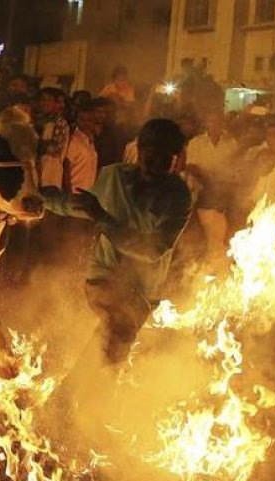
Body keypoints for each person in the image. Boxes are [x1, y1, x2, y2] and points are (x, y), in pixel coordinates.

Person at [43, 118, 193, 366]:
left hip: (144, 290)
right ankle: (67, 399)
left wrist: (102, 217)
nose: (155, 165)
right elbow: (81, 205)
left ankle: (92, 392)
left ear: (175, 159)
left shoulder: (178, 196)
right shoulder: (113, 176)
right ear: (140, 150)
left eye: (164, 159)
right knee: (118, 332)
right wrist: (36, 199)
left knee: (113, 349)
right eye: (150, 156)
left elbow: (153, 250)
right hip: (105, 276)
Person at [187, 111, 243, 260]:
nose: (214, 125)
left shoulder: (232, 143)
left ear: (223, 123)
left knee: (221, 234)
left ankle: (219, 262)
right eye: (211, 122)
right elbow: (191, 167)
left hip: (223, 196)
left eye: (218, 122)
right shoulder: (196, 143)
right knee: (200, 235)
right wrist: (208, 181)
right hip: (200, 195)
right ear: (206, 124)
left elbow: (236, 170)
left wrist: (222, 186)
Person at [36, 87, 71, 187]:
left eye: (49, 100)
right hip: (36, 175)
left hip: (50, 175)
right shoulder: (38, 120)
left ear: (57, 104)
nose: (44, 103)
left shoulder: (60, 123)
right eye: (42, 99)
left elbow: (55, 149)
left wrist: (36, 142)